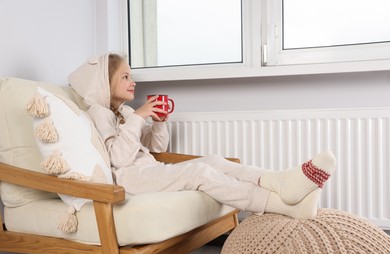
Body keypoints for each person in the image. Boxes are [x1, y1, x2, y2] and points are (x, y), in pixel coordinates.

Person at [68, 53, 336, 219]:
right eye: (125, 76)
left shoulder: (124, 111)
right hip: (129, 180)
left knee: (214, 161)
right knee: (198, 173)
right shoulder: (99, 113)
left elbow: (155, 147)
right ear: (104, 83)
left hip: (150, 170)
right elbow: (120, 158)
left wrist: (158, 123)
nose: (133, 81)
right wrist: (140, 116)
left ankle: (279, 181)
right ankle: (285, 205)